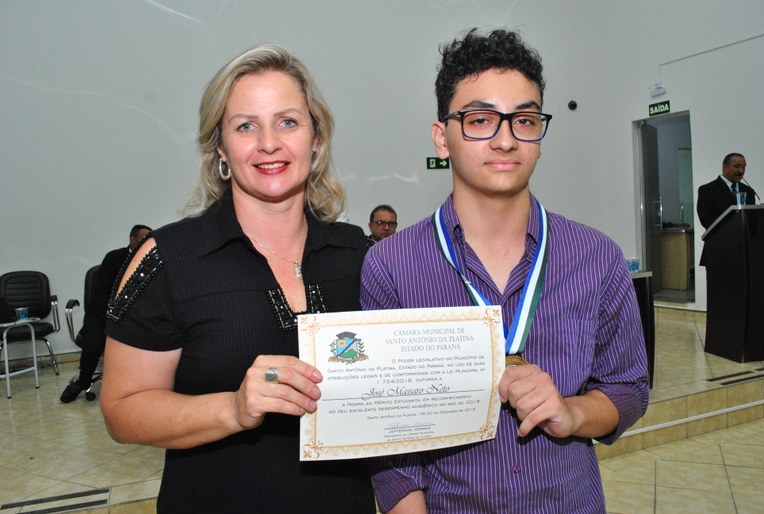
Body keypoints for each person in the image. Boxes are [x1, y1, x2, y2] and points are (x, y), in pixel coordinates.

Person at [361, 28, 649, 513]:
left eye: (525, 120)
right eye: (480, 120)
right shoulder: (392, 265)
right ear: (442, 138)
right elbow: (387, 431)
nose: (506, 139)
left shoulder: (596, 257)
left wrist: (572, 411)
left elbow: (628, 388)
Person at [99, 44, 375, 513]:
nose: (269, 143)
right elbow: (122, 412)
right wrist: (233, 408)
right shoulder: (169, 259)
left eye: (288, 122)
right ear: (221, 149)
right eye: (246, 126)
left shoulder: (359, 255)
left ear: (317, 139)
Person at [60, 224, 151, 403]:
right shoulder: (114, 258)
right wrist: (114, 316)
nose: (147, 242)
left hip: (133, 315)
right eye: (143, 238)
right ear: (132, 240)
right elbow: (100, 294)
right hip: (102, 314)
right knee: (94, 343)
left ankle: (143, 386)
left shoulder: (151, 261)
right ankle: (82, 381)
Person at [696, 152, 756, 230]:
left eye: (743, 167)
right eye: (737, 166)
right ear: (724, 167)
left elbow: (753, 218)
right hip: (721, 236)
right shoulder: (708, 190)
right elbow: (707, 220)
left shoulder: (748, 191)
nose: (741, 171)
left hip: (745, 237)